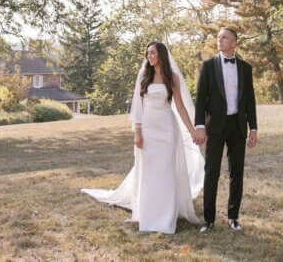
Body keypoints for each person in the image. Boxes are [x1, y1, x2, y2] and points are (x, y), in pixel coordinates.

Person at [82, 41, 204, 234]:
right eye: (147, 53)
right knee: (149, 172)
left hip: (167, 128)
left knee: (166, 171)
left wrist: (192, 130)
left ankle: (166, 216)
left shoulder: (172, 77)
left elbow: (179, 106)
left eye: (153, 53)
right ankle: (148, 215)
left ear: (161, 55)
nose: (149, 57)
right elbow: (137, 107)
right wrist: (137, 132)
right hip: (148, 128)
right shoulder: (144, 76)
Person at [193, 26, 258, 232]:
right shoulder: (209, 66)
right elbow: (200, 98)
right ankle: (209, 219)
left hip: (237, 126)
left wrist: (253, 128)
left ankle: (233, 217)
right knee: (211, 171)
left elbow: (250, 101)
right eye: (219, 37)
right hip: (215, 127)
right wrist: (200, 126)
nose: (220, 40)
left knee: (236, 172)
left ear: (234, 42)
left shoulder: (245, 68)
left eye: (225, 37)